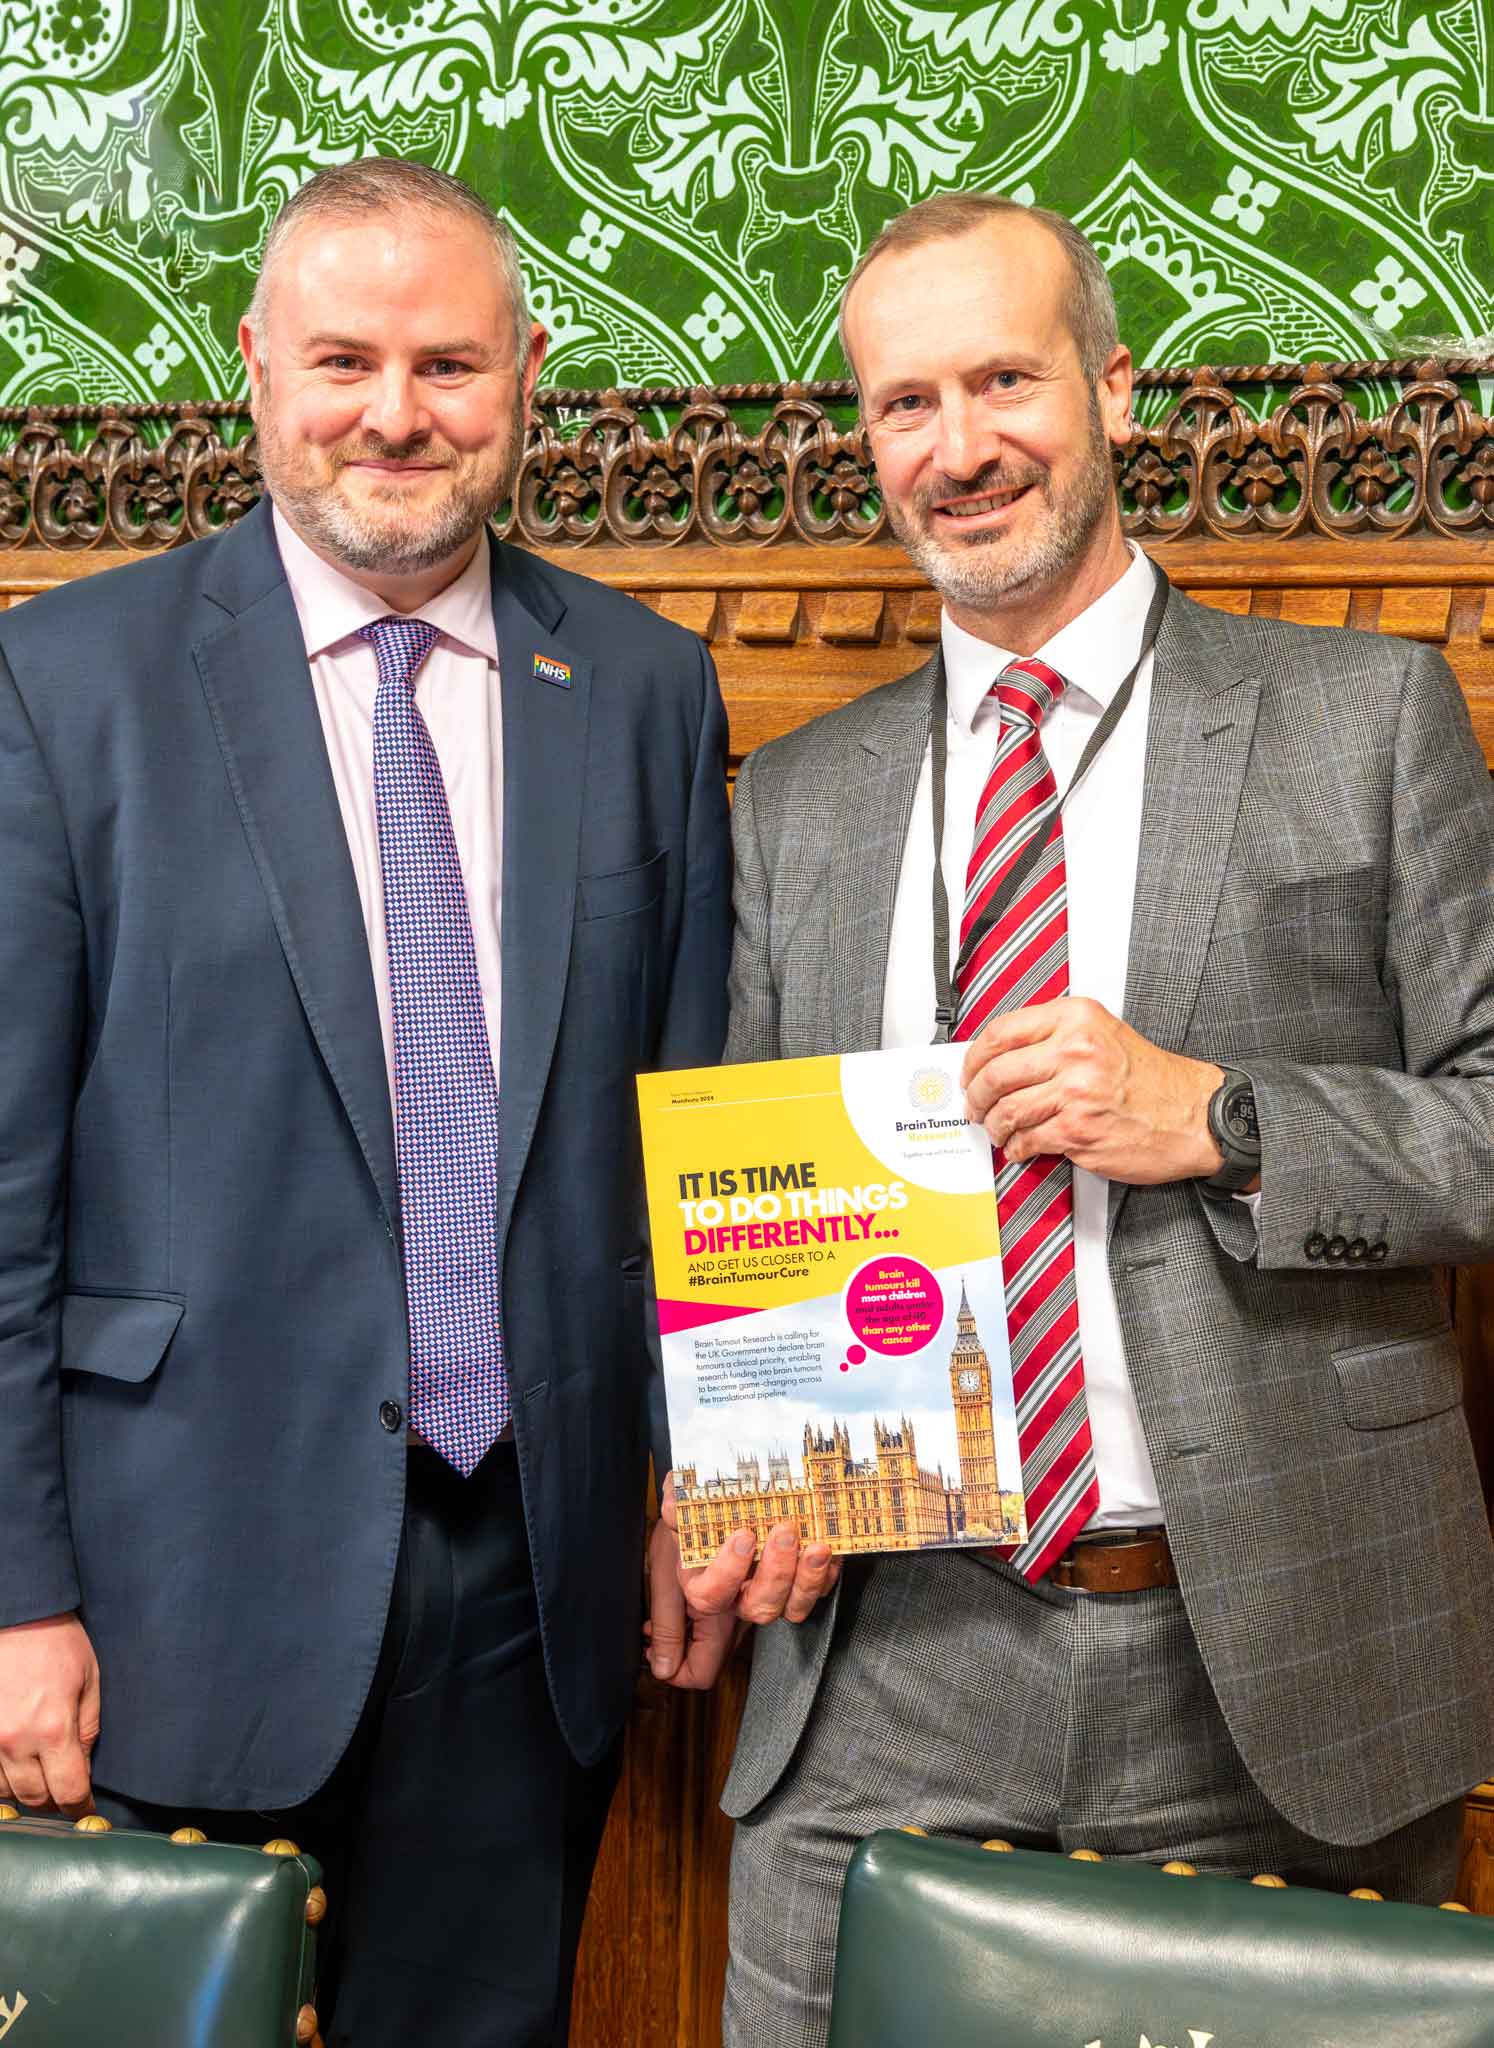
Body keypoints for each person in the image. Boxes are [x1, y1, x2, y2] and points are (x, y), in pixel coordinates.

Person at [646, 191, 1494, 2047]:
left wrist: (1226, 1116)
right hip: (883, 1660)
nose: (958, 450)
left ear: (1113, 388)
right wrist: (737, 1470)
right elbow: (746, 1233)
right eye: (903, 405)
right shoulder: (793, 803)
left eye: (1004, 380)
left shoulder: (1361, 717)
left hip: (1271, 1645)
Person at [0, 158, 731, 2046]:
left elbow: (692, 1138)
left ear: (527, 377)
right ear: (254, 364)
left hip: (534, 1584)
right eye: (343, 357)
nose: (394, 414)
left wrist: (694, 1468)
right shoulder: (62, 681)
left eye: (447, 364)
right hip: (170, 1582)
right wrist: (15, 1598)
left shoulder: (645, 689)